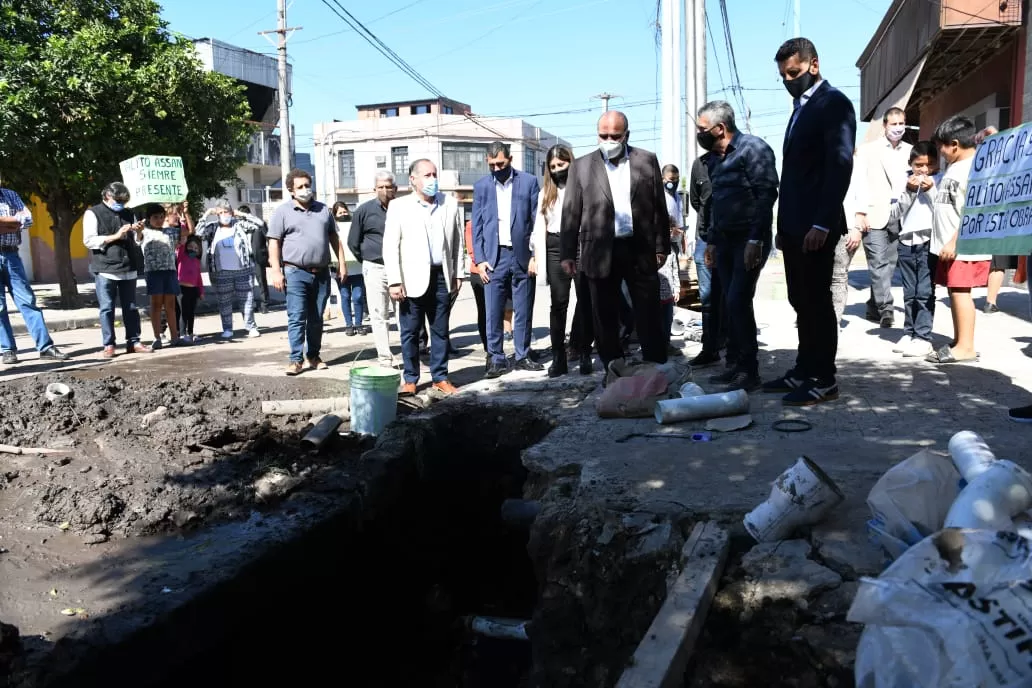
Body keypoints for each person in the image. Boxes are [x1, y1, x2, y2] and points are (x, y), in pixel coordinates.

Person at [765, 38, 856, 406]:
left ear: (813, 65)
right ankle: (803, 369)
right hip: (794, 226)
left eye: (795, 73)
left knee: (817, 302)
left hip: (816, 226)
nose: (789, 80)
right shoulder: (800, 109)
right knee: (799, 299)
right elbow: (795, 174)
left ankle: (824, 378)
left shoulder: (833, 104)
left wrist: (822, 222)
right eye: (784, 75)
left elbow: (839, 165)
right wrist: (784, 226)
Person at [560, 110, 670, 375]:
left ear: (626, 135)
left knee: (648, 311)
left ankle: (656, 366)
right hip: (599, 251)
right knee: (604, 314)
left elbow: (658, 207)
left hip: (639, 249)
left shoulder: (646, 160)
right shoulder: (582, 166)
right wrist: (567, 254)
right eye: (603, 135)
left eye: (615, 136)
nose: (608, 140)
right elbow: (571, 212)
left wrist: (661, 246)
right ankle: (613, 368)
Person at [696, 100, 779, 392]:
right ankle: (735, 365)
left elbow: (766, 194)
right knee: (729, 303)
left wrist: (756, 239)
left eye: (702, 128)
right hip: (726, 241)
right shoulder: (716, 159)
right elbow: (717, 203)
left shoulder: (753, 149)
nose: (699, 133)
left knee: (737, 300)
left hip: (749, 240)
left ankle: (749, 371)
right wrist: (712, 242)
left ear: (720, 128)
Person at [383, 158, 462, 396]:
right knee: (409, 332)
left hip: (440, 276)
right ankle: (410, 379)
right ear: (413, 180)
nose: (432, 179)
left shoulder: (450, 204)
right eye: (427, 175)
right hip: (410, 279)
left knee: (440, 330)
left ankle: (440, 377)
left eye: (434, 174)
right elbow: (390, 245)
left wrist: (458, 273)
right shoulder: (399, 206)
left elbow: (457, 243)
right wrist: (395, 280)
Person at [924, 115, 991, 365]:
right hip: (949, 245)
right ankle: (959, 339)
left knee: (962, 292)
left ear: (954, 144)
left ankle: (966, 347)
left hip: (961, 246)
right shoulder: (956, 166)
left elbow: (973, 210)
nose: (940, 151)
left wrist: (954, 241)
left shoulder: (974, 168)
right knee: (955, 291)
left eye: (941, 146)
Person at [473, 141, 543, 378]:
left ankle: (523, 355)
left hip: (522, 255)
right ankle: (496, 358)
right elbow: (477, 226)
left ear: (510, 160)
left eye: (500, 164)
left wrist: (535, 255)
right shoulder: (482, 186)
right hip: (494, 257)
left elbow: (537, 222)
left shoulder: (529, 182)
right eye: (492, 165)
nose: (496, 168)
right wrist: (480, 259)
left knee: (523, 307)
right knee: (493, 310)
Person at [268, 168, 343, 376]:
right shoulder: (282, 212)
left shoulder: (323, 210)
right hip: (295, 272)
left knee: (317, 317)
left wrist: (342, 264)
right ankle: (295, 359)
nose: (305, 190)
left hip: (321, 273)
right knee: (297, 317)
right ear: (291, 190)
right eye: (300, 187)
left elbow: (334, 239)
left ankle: (314, 355)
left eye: (307, 185)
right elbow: (274, 242)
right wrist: (276, 271)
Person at [532, 144, 593, 377]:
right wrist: (536, 257)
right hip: (555, 248)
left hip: (580, 245)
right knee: (558, 305)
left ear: (571, 163)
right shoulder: (545, 193)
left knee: (585, 302)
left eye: (562, 164)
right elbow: (540, 228)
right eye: (553, 166)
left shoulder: (582, 188)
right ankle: (559, 358)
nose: (558, 169)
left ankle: (584, 352)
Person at [854, 107, 912, 327]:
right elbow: (859, 183)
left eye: (901, 123)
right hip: (874, 213)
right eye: (894, 124)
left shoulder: (910, 151)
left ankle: (872, 304)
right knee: (877, 262)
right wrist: (860, 213)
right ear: (885, 125)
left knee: (889, 264)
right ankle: (886, 308)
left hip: (900, 215)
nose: (898, 128)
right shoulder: (868, 150)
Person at [0, 186, 69, 364]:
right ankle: (8, 350)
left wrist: (5, 222)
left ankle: (45, 347)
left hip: (12, 255)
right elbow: (19, 221)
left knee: (27, 301)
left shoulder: (11, 195)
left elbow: (28, 219)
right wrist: (13, 222)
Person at [82, 182, 152, 358]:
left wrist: (139, 232)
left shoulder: (129, 213)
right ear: (107, 196)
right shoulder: (93, 213)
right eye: (118, 200)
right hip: (106, 267)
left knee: (131, 307)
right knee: (107, 308)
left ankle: (133, 341)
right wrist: (115, 236)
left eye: (124, 200)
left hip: (128, 266)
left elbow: (138, 241)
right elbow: (89, 240)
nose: (121, 203)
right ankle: (109, 344)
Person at [885, 142, 940, 358]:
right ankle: (909, 332)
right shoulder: (902, 180)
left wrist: (931, 190)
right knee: (909, 292)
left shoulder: (940, 180)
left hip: (929, 240)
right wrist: (908, 191)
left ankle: (923, 336)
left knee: (924, 291)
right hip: (907, 240)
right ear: (911, 164)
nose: (924, 170)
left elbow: (943, 211)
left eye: (929, 165)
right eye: (919, 165)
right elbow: (894, 213)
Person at [348, 171, 397, 367]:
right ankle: (385, 357)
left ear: (396, 188)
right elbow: (353, 242)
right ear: (374, 189)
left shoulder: (404, 208)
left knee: (405, 314)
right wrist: (368, 258)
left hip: (400, 269)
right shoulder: (364, 210)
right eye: (381, 187)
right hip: (375, 267)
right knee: (379, 315)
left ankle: (412, 354)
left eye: (388, 187)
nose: (385, 191)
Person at [197, 200, 261, 341]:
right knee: (224, 302)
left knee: (247, 300)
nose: (224, 215)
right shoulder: (212, 227)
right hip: (221, 272)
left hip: (243, 270)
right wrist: (207, 214)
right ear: (217, 214)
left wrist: (241, 214)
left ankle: (250, 327)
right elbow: (198, 233)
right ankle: (227, 329)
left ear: (231, 213)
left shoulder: (239, 225)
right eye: (220, 212)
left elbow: (259, 224)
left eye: (226, 212)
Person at [687, 156, 728, 368]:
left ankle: (735, 352)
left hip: (731, 239)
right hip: (705, 238)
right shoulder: (699, 164)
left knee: (734, 297)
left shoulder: (737, 157)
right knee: (707, 298)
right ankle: (710, 348)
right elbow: (696, 201)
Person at [137, 203, 183, 348]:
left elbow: (188, 232)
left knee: (170, 305)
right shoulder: (144, 231)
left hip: (170, 271)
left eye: (161, 217)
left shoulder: (170, 231)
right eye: (155, 217)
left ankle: (175, 337)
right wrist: (138, 229)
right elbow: (138, 237)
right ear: (148, 218)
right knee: (156, 305)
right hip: (153, 272)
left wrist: (184, 213)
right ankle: (157, 337)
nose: (159, 219)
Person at [833, 149, 864, 328]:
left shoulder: (856, 163)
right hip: (820, 226)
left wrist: (857, 228)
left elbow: (862, 195)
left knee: (838, 275)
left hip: (847, 227)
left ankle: (834, 321)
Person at [332, 201, 365, 336]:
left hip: (357, 268)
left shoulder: (355, 225)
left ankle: (359, 323)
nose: (343, 214)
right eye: (340, 212)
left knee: (357, 297)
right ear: (335, 215)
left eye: (345, 211)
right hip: (340, 268)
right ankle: (349, 325)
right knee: (345, 296)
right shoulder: (333, 228)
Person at [238, 204, 270, 315]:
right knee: (246, 284)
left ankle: (264, 305)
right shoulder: (238, 227)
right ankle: (250, 305)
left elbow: (269, 237)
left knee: (261, 282)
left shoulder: (258, 225)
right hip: (244, 259)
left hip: (257, 258)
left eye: (243, 216)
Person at [176, 234, 204, 342]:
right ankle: (182, 334)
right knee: (183, 312)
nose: (193, 249)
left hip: (194, 290)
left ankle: (190, 332)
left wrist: (201, 291)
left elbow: (199, 277)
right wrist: (183, 223)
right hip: (182, 289)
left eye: (196, 248)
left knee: (191, 312)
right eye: (191, 246)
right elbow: (182, 243)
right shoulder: (182, 256)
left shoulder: (197, 261)